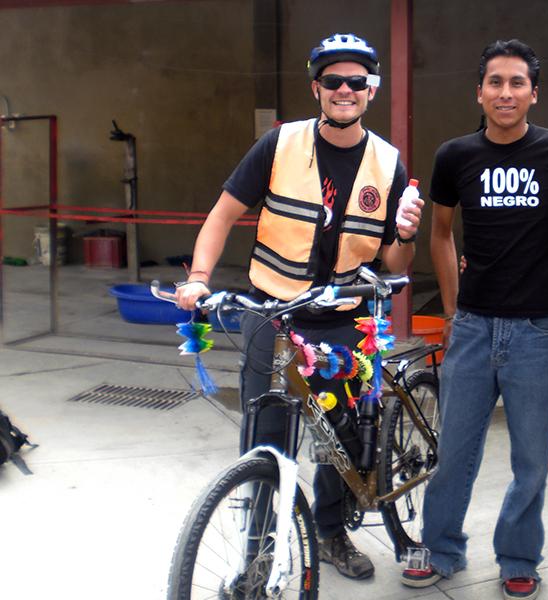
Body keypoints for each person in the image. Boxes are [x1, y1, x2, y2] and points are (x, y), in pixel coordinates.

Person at [174, 32, 423, 581]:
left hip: (343, 318)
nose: (344, 90)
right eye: (333, 80)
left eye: (356, 81)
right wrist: (198, 279)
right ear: (316, 88)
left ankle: (331, 533)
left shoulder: (388, 163)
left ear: (372, 89)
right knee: (264, 432)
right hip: (272, 309)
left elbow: (394, 258)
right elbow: (221, 216)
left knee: (339, 437)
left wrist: (406, 232)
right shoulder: (279, 144)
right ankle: (258, 551)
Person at [400, 39, 548, 600]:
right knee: (455, 450)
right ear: (478, 92)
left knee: (531, 459)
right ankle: (441, 547)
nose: (506, 93)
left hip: (539, 329)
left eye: (517, 82)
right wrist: (452, 309)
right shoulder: (455, 155)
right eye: (495, 82)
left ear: (534, 93)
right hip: (474, 326)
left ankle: (519, 556)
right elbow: (440, 233)